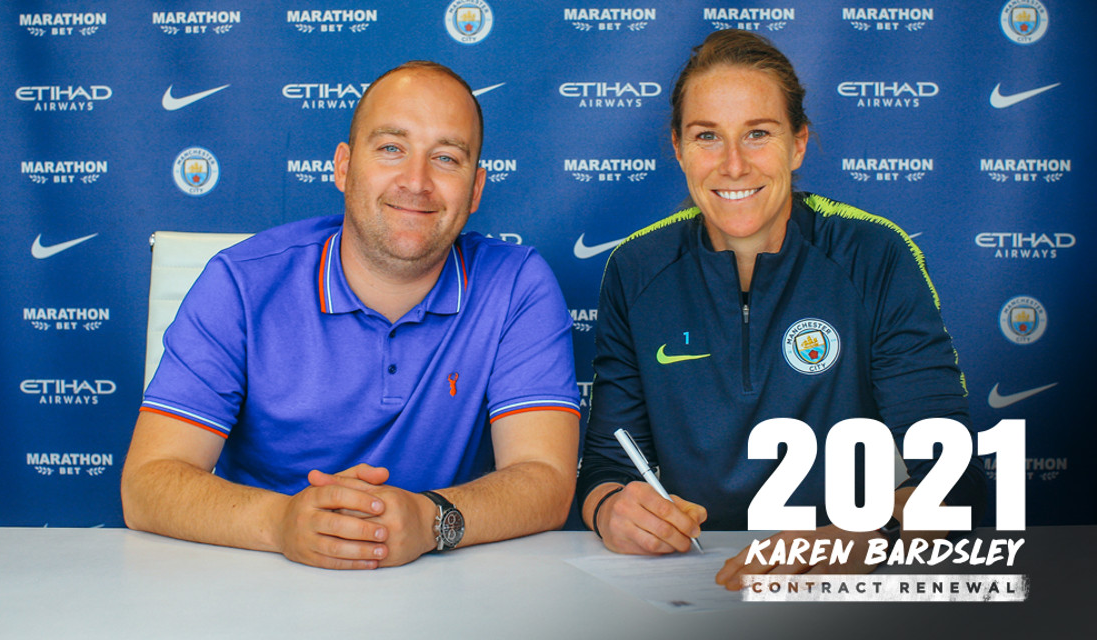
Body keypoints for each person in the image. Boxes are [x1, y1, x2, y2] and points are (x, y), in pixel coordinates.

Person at [122, 61, 581, 570]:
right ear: (343, 167)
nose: (416, 181)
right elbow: (148, 482)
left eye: (447, 158)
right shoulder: (240, 282)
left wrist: (430, 520)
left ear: (475, 189)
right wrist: (283, 522)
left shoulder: (517, 284)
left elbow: (545, 477)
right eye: (391, 148)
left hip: (442, 585)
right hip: (258, 577)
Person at [575, 30, 987, 587]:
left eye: (758, 134)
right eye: (707, 136)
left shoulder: (875, 255)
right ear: (678, 148)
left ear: (798, 143)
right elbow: (607, 467)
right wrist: (610, 511)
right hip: (685, 578)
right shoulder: (636, 268)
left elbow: (953, 475)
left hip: (845, 582)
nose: (734, 165)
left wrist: (868, 538)